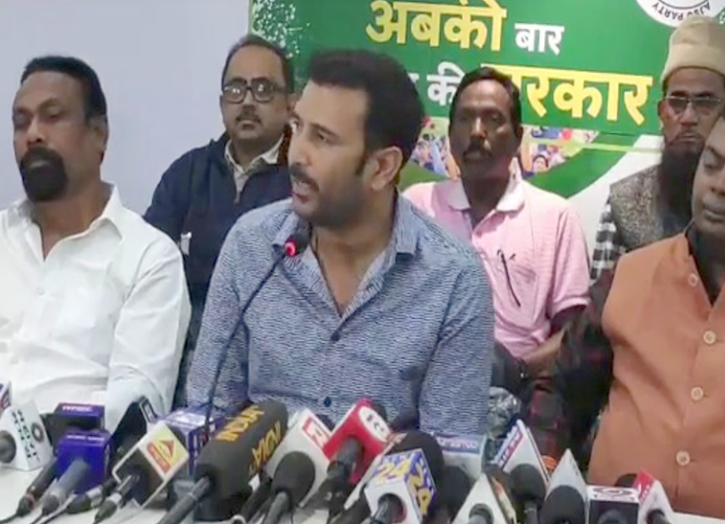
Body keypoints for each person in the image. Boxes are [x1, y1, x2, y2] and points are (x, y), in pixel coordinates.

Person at [186, 49, 494, 433]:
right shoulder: (251, 245)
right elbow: (204, 417)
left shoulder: (454, 280)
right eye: (297, 127)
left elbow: (449, 454)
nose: (296, 154)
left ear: (382, 167)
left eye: (322, 138)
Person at [528, 96, 725, 524]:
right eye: (711, 164)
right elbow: (562, 389)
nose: (719, 186)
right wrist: (542, 471)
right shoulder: (630, 275)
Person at [0, 56, 190, 430]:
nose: (33, 134)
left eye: (52, 116)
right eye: (21, 122)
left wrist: (23, 435)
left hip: (68, 461)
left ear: (99, 135)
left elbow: (136, 403)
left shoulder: (148, 257)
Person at [404, 68, 589, 376]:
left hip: (519, 387)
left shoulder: (555, 216)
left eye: (492, 119)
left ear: (518, 138)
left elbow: (573, 332)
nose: (477, 132)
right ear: (450, 136)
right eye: (465, 119)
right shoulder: (417, 206)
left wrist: (516, 371)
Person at [143, 35, 294, 405]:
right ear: (222, 101)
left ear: (291, 103)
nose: (247, 101)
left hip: (274, 349)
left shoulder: (304, 179)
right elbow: (147, 268)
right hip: (187, 342)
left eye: (263, 89)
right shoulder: (188, 173)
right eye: (236, 89)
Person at [591, 16, 725, 283]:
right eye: (677, 102)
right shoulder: (625, 202)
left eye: (705, 102)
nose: (688, 117)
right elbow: (606, 303)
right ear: (662, 112)